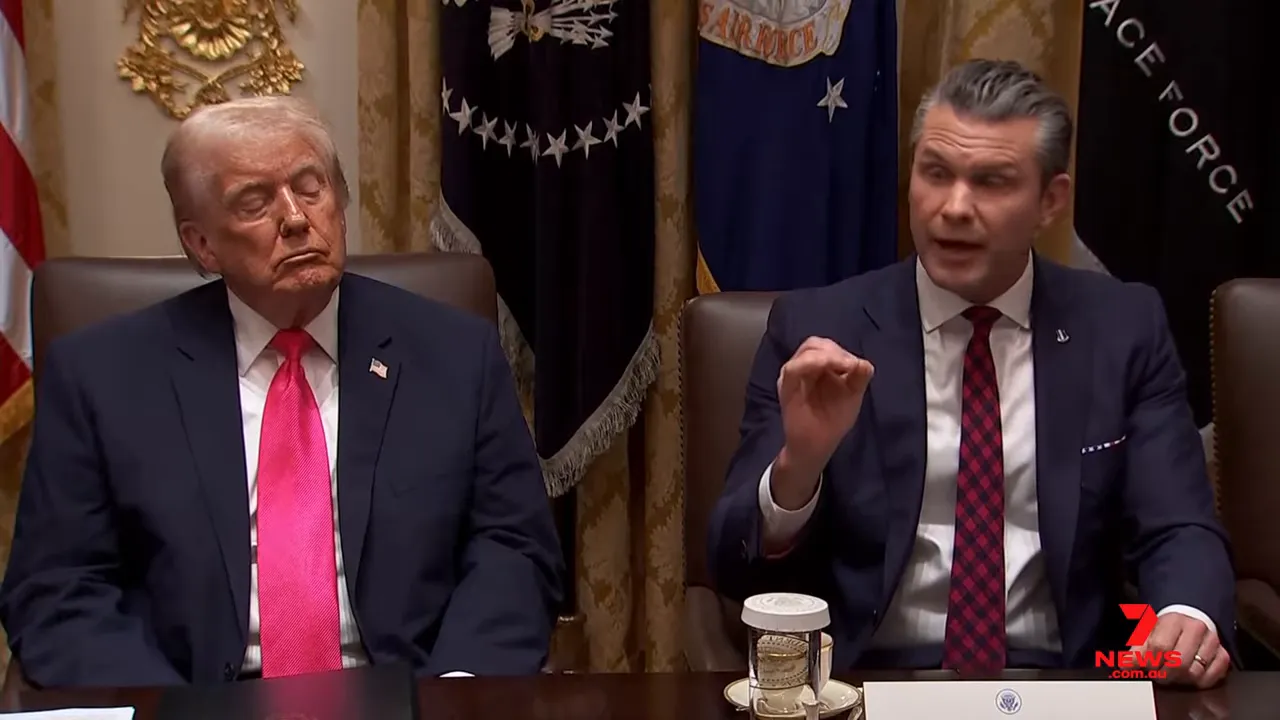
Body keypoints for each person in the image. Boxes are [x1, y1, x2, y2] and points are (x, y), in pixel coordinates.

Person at [0, 96, 564, 687]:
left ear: (341, 206)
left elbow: (514, 548)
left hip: (411, 694)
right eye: (255, 201)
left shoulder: (454, 352)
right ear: (201, 245)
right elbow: (58, 588)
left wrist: (458, 689)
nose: (295, 218)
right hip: (197, 702)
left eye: (310, 187)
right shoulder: (103, 375)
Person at [707, 59, 1234, 689]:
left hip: (1068, 687)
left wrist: (1186, 613)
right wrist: (800, 466)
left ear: (1051, 201)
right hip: (869, 684)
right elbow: (731, 567)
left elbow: (1176, 524)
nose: (954, 208)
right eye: (936, 174)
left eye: (991, 182)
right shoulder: (819, 328)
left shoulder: (1123, 328)